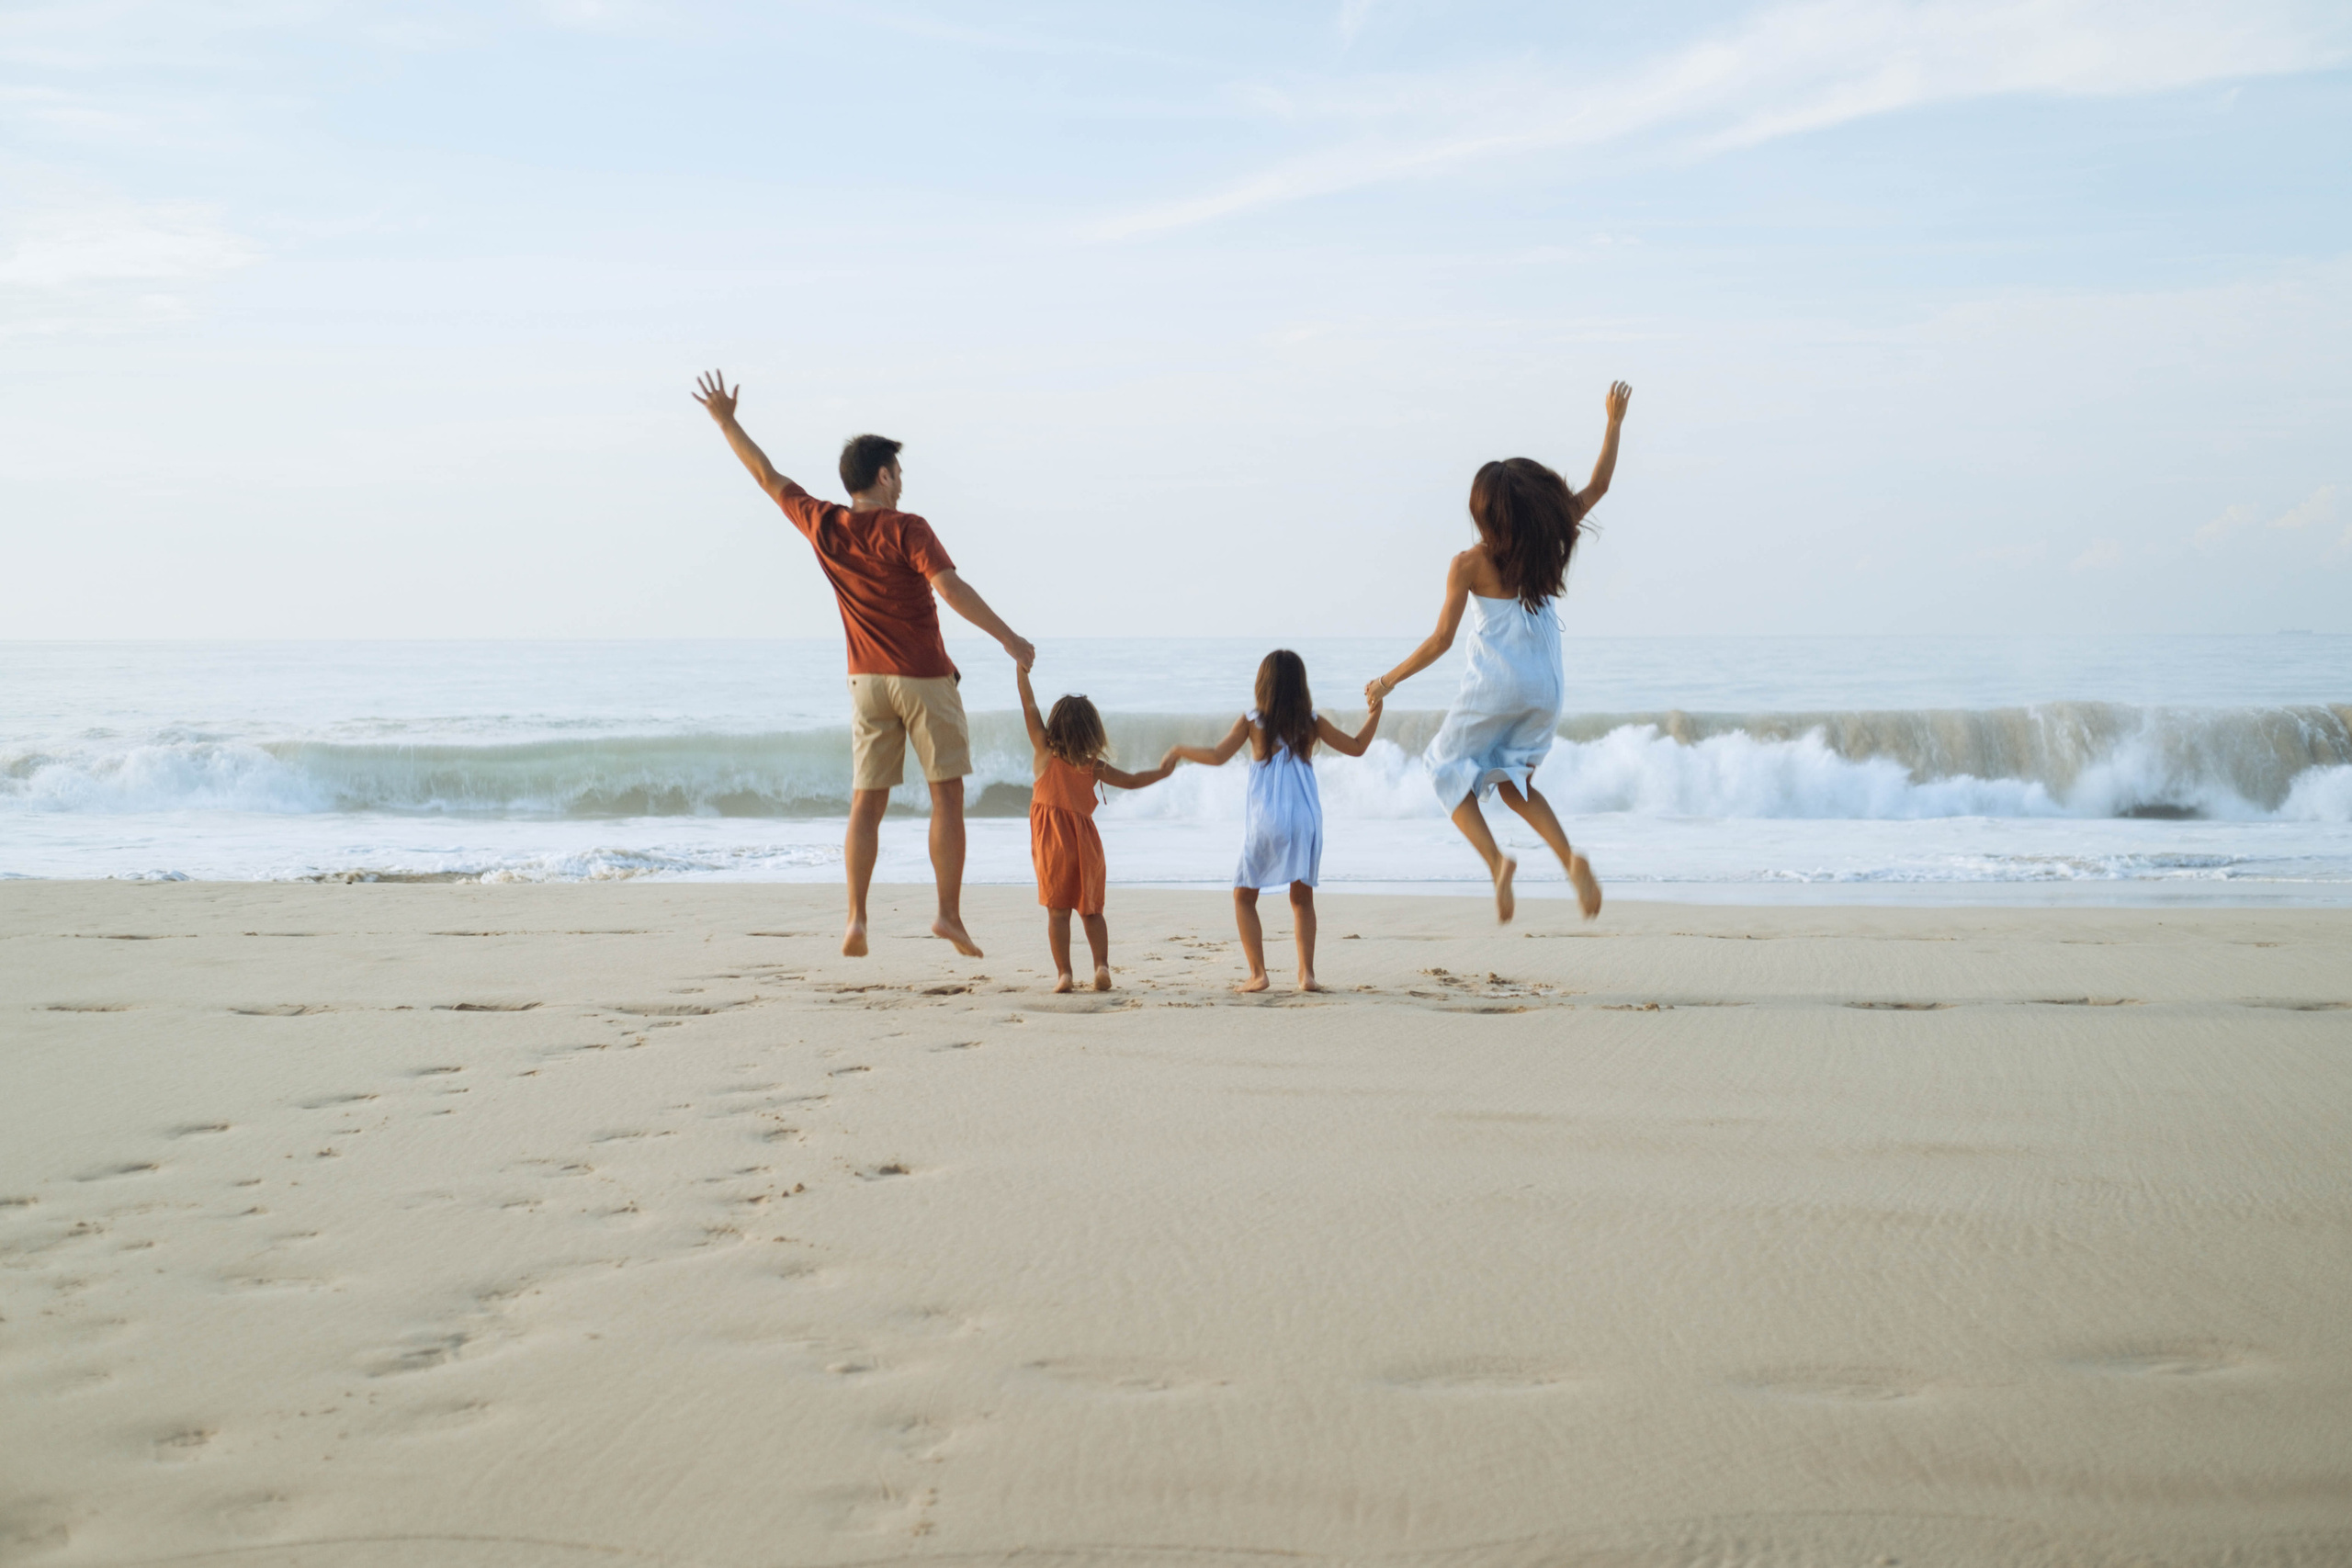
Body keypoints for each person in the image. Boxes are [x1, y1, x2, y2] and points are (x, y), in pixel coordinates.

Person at [693, 370, 1034, 959]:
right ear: (883, 474)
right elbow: (948, 589)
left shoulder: (824, 523)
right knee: (946, 795)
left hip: (865, 682)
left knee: (866, 802)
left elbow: (766, 475)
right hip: (923, 676)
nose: (902, 482)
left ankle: (855, 919)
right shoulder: (907, 528)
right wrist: (1009, 639)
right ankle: (948, 916)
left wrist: (726, 422)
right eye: (898, 472)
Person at [1365, 381, 1631, 925]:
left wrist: (1388, 681)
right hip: (1546, 688)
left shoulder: (1469, 564)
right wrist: (1613, 423)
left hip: (1495, 685)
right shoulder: (1551, 539)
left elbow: (1441, 641)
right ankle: (1568, 859)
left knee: (1444, 765)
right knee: (1515, 779)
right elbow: (1600, 484)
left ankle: (1496, 864)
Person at [1170, 650, 1383, 993]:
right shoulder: (1311, 722)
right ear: (1301, 686)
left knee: (1243, 897)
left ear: (1262, 684)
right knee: (1302, 900)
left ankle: (1258, 973)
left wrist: (1180, 750)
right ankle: (1306, 975)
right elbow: (1357, 747)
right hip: (1305, 819)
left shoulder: (1253, 721)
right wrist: (1376, 712)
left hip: (1267, 820)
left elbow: (1217, 756)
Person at [1014, 666, 1180, 993]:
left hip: (1052, 845)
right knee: (1091, 911)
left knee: (1058, 912)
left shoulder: (1045, 753)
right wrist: (1162, 773)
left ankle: (1064, 974)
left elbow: (1028, 705)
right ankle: (1101, 966)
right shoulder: (1094, 767)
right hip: (1086, 844)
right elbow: (1132, 781)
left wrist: (1021, 668)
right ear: (1092, 731)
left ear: (1054, 726)